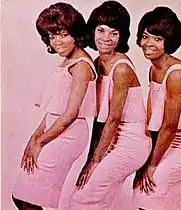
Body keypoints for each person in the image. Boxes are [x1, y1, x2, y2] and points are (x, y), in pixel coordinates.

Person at [12, 2, 97, 210]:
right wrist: (34, 138)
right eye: (52, 36)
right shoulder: (68, 60)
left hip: (68, 134)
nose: (57, 41)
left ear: (76, 34)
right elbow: (53, 109)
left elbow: (70, 113)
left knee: (28, 200)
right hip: (55, 130)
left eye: (62, 34)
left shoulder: (81, 66)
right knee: (21, 196)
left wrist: (40, 143)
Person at [69, 1, 151, 209]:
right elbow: (99, 119)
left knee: (84, 196)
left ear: (121, 37)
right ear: (93, 31)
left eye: (113, 33)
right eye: (101, 30)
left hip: (132, 142)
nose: (106, 38)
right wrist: (90, 158)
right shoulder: (97, 63)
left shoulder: (121, 69)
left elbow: (113, 119)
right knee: (93, 197)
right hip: (111, 138)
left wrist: (95, 162)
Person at [132, 6, 181, 210]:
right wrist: (144, 162)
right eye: (145, 36)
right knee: (149, 190)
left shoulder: (176, 75)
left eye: (157, 39)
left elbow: (169, 124)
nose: (149, 43)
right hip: (170, 137)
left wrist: (151, 164)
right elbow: (153, 118)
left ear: (169, 41)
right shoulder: (153, 69)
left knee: (152, 187)